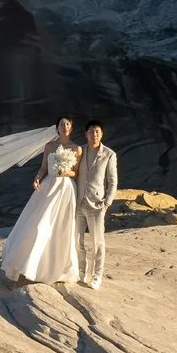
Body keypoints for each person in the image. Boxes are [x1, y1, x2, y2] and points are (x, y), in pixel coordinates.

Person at [0, 119, 83, 285]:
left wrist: (67, 172)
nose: (64, 127)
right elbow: (43, 168)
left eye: (67, 124)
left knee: (60, 227)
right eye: (61, 124)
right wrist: (37, 178)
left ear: (71, 128)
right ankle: (29, 265)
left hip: (65, 190)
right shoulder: (49, 147)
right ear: (57, 128)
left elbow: (76, 173)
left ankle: (54, 269)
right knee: (38, 224)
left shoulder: (77, 148)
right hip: (48, 186)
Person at [73, 122, 118, 289]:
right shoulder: (79, 151)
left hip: (97, 205)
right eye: (91, 132)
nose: (94, 135)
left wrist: (107, 203)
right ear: (86, 134)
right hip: (79, 203)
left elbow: (112, 181)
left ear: (102, 134)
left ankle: (97, 276)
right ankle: (81, 271)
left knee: (97, 242)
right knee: (77, 240)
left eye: (97, 131)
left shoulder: (109, 154)